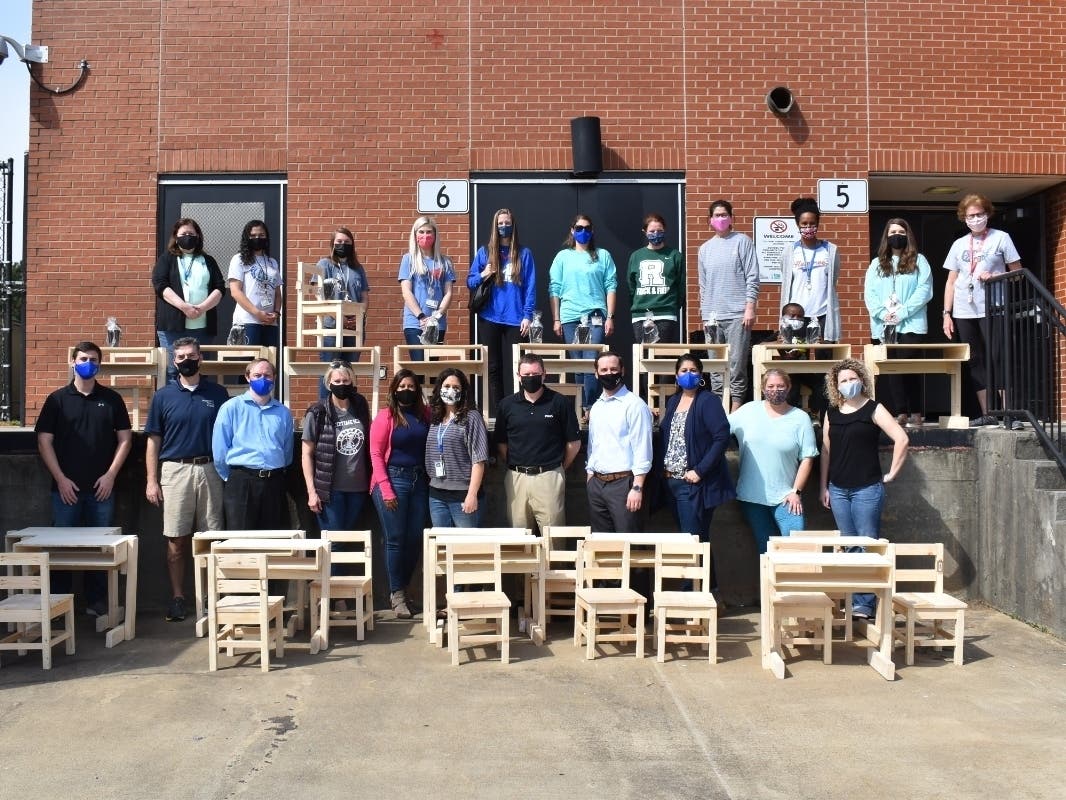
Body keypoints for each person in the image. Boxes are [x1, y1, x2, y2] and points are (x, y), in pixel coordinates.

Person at [35, 341, 133, 616]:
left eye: (93, 359)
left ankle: (96, 602)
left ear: (99, 364)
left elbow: (125, 439)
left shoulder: (112, 399)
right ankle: (57, 606)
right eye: (82, 358)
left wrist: (111, 475)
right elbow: (44, 441)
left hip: (102, 489)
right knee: (61, 549)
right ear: (72, 361)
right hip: (65, 490)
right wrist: (61, 479)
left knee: (100, 548)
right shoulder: (57, 400)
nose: (88, 363)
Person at [144, 337, 230, 622]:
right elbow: (153, 441)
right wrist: (151, 480)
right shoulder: (163, 396)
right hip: (175, 471)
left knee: (212, 538)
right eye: (180, 357)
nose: (186, 360)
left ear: (200, 358)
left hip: (210, 470)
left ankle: (211, 597)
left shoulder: (218, 393)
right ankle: (179, 597)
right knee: (176, 539)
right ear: (174, 361)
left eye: (191, 355)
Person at [820, 358, 909, 619]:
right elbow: (826, 451)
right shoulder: (831, 413)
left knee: (867, 544)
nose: (849, 384)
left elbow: (902, 439)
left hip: (867, 489)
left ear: (862, 380)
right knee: (849, 546)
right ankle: (855, 599)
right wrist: (823, 486)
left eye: (852, 379)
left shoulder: (874, 408)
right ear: (836, 386)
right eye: (843, 381)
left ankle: (865, 603)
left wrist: (892, 473)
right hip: (838, 489)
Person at [941, 193, 1023, 427]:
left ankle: (1009, 413)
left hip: (993, 306)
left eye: (979, 215)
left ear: (987, 214)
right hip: (964, 309)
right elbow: (951, 280)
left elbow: (1017, 272)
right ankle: (988, 412)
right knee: (974, 360)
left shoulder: (1001, 238)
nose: (975, 219)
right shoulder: (959, 244)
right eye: (970, 216)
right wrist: (947, 313)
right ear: (964, 218)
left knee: (998, 356)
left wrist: (997, 276)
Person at [657, 353, 735, 587]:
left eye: (693, 370)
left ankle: (689, 594)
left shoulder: (707, 400)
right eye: (683, 371)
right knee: (697, 539)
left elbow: (721, 437)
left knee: (691, 541)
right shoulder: (673, 401)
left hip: (694, 483)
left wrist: (699, 470)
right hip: (672, 481)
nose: (688, 375)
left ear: (701, 375)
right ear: (676, 375)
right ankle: (710, 592)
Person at [728, 368, 818, 554]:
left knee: (796, 549)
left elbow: (807, 458)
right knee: (766, 551)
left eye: (780, 386)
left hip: (787, 497)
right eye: (770, 386)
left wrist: (796, 491)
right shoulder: (748, 411)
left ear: (789, 387)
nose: (775, 390)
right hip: (751, 497)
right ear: (762, 388)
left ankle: (793, 584)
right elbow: (720, 429)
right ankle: (768, 584)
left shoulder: (800, 418)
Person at [494, 353, 582, 532]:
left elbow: (574, 443)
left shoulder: (560, 402)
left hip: (549, 477)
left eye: (535, 374)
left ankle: (555, 562)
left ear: (544, 374)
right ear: (518, 376)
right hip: (516, 478)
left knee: (554, 537)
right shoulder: (506, 405)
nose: (530, 378)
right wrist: (514, 465)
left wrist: (559, 468)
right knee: (519, 537)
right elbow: (502, 443)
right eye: (525, 375)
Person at [370, 369, 431, 619]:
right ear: (394, 390)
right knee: (395, 538)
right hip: (392, 480)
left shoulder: (424, 415)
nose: (406, 390)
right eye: (402, 386)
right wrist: (385, 488)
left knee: (415, 538)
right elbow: (375, 453)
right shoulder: (385, 417)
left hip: (419, 481)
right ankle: (396, 595)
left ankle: (404, 589)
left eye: (411, 386)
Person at [864, 218, 934, 426]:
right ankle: (900, 411)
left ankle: (916, 411)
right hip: (884, 324)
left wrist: (902, 313)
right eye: (893, 232)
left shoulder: (919, 261)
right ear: (886, 236)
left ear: (908, 236)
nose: (897, 236)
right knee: (892, 369)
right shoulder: (876, 264)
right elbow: (870, 293)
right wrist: (882, 313)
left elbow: (924, 291)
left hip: (911, 323)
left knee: (909, 367)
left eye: (901, 232)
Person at [467, 208, 536, 414]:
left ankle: (522, 408)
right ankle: (500, 411)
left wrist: (528, 315)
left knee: (521, 366)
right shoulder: (485, 252)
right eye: (500, 223)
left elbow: (530, 286)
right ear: (495, 227)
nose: (503, 227)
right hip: (490, 317)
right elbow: (470, 282)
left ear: (513, 225)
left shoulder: (524, 254)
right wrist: (484, 273)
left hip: (516, 318)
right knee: (494, 367)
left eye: (507, 223)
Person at [549, 214, 618, 418]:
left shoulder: (602, 255)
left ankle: (590, 408)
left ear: (592, 230)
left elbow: (611, 285)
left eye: (587, 227)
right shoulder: (563, 257)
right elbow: (554, 288)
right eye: (579, 228)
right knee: (577, 365)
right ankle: (580, 408)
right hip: (570, 316)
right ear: (572, 230)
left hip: (595, 315)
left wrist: (610, 316)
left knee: (590, 362)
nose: (583, 231)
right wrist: (556, 318)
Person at [211, 358, 294, 530]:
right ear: (247, 377)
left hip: (274, 482)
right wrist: (232, 477)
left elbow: (287, 450)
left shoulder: (284, 413)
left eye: (267, 375)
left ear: (274, 378)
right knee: (240, 539)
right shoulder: (230, 407)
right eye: (257, 375)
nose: (262, 379)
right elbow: (219, 450)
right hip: (242, 481)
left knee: (274, 539)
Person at [697, 199, 759, 412]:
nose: (721, 219)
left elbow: (752, 277)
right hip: (713, 317)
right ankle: (719, 408)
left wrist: (749, 307)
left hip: (737, 315)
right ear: (710, 220)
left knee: (736, 365)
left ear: (731, 218)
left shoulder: (742, 241)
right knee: (715, 367)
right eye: (717, 215)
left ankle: (735, 408)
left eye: (724, 215)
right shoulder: (704, 249)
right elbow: (703, 285)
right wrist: (705, 315)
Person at [301, 360, 371, 534]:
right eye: (337, 381)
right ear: (328, 383)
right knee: (334, 543)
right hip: (330, 492)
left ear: (352, 382)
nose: (342, 385)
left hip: (359, 489)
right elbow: (306, 455)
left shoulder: (360, 405)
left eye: (346, 381)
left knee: (350, 541)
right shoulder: (317, 412)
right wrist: (312, 492)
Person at [585, 351, 653, 533]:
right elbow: (593, 445)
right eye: (604, 369)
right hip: (597, 484)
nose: (609, 373)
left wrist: (637, 487)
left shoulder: (635, 405)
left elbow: (643, 448)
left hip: (624, 484)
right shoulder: (597, 407)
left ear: (622, 371)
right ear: (596, 373)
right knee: (602, 547)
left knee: (629, 545)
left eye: (613, 369)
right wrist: (590, 475)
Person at [152, 217, 226, 382]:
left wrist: (202, 308)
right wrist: (184, 307)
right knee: (172, 370)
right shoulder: (167, 259)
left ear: (198, 236)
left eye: (191, 233)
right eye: (184, 233)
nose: (188, 236)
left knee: (200, 369)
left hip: (202, 326)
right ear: (176, 236)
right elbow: (160, 285)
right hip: (172, 327)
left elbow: (220, 287)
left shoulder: (208, 260)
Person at [425, 368, 489, 528]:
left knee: (465, 548)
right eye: (446, 386)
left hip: (463, 495)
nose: (450, 390)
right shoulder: (435, 418)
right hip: (437, 494)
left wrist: (472, 495)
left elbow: (479, 460)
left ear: (463, 391)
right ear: (439, 388)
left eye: (456, 387)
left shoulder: (472, 417)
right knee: (441, 547)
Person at [314, 227, 370, 397]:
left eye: (346, 242)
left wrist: (359, 316)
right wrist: (337, 317)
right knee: (329, 371)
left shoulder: (358, 268)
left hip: (354, 327)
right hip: (331, 327)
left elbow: (364, 297)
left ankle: (349, 410)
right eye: (339, 242)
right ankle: (324, 412)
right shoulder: (324, 264)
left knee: (349, 372)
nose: (342, 245)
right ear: (332, 244)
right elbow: (319, 295)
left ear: (352, 244)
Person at [779, 197, 842, 343]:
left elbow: (833, 278)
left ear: (818, 224)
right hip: (796, 315)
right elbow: (787, 278)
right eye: (804, 224)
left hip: (823, 313)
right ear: (798, 225)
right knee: (797, 357)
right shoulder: (789, 251)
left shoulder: (830, 250)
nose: (808, 227)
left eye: (812, 223)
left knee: (825, 359)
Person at [399, 216, 455, 361]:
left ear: (435, 235)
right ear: (415, 234)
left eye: (429, 232)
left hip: (437, 324)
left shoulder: (445, 262)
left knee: (433, 370)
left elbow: (448, 292)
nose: (425, 236)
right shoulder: (408, 259)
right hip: (415, 322)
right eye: (421, 232)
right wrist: (421, 317)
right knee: (419, 368)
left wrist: (436, 316)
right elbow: (406, 292)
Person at [628, 212, 684, 344]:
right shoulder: (636, 256)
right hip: (640, 315)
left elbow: (681, 284)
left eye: (659, 230)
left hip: (665, 314)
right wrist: (637, 305)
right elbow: (631, 285)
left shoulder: (675, 255)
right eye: (652, 231)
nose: (656, 234)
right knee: (643, 355)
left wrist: (673, 305)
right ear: (644, 232)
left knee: (661, 356)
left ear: (665, 231)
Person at [227, 220, 282, 348]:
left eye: (261, 235)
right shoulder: (239, 259)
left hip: (270, 323)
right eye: (253, 236)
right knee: (247, 363)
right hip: (247, 321)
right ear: (247, 238)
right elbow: (235, 291)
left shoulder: (272, 262)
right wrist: (257, 313)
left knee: (268, 364)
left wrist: (276, 313)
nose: (257, 238)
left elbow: (278, 292)